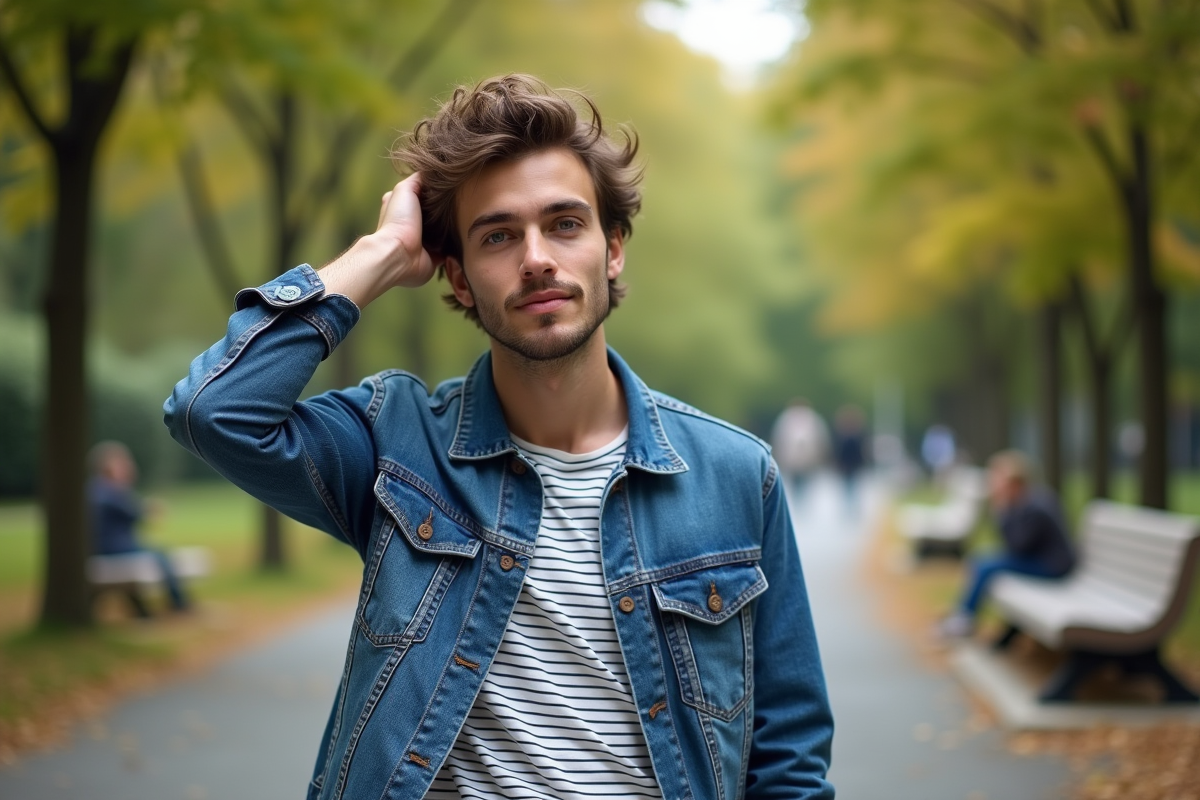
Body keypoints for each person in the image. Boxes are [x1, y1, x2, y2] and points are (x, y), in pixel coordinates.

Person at [165, 75, 833, 800]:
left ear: (613, 250)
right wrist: (381, 253)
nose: (537, 257)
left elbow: (788, 758)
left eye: (566, 224)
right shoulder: (398, 446)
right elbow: (214, 410)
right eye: (498, 236)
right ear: (455, 277)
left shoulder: (736, 475)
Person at [939, 450, 1076, 638]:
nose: (993, 485)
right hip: (1041, 559)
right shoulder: (1027, 500)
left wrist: (1001, 512)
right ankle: (963, 614)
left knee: (986, 566)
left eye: (997, 479)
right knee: (982, 561)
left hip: (1053, 565)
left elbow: (1017, 547)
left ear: (1013, 482)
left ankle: (964, 619)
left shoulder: (1034, 507)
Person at [89, 441, 190, 617]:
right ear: (108, 466)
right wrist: (153, 508)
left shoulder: (95, 488)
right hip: (111, 548)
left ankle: (142, 613)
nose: (128, 467)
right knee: (160, 556)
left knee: (147, 558)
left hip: (99, 548)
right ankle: (179, 605)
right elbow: (139, 514)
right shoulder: (110, 490)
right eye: (122, 464)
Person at [770, 397, 829, 502]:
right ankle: (799, 497)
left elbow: (820, 439)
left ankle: (801, 497)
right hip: (794, 458)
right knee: (797, 479)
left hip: (807, 457)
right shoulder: (787, 419)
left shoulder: (811, 419)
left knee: (805, 479)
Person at [832, 404, 868, 513]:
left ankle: (852, 506)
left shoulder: (857, 435)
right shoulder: (842, 435)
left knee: (853, 486)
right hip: (846, 464)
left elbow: (862, 451)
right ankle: (848, 506)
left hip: (854, 464)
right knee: (847, 486)